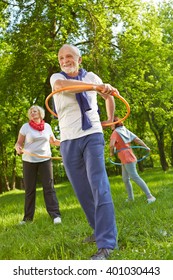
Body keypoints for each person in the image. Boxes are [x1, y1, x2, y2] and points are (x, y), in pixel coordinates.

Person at [50, 44, 118, 260]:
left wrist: (109, 118)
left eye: (69, 56)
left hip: (92, 135)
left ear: (79, 59)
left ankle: (106, 244)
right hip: (68, 140)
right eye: (61, 57)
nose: (65, 60)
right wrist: (95, 87)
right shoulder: (56, 78)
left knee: (99, 185)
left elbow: (108, 96)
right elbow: (63, 86)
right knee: (82, 190)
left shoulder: (91, 76)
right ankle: (97, 230)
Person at [15, 105, 61, 225]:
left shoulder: (47, 127)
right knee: (30, 190)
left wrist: (66, 143)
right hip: (29, 161)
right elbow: (18, 143)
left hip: (45, 160)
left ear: (40, 113)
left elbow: (53, 141)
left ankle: (55, 215)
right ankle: (28, 218)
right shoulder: (25, 127)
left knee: (49, 188)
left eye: (34, 111)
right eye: (30, 112)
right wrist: (18, 148)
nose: (32, 113)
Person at [110, 116, 156, 204]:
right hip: (127, 156)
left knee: (135, 177)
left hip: (126, 157)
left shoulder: (115, 132)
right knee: (125, 179)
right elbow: (137, 139)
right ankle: (130, 198)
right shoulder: (124, 130)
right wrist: (146, 147)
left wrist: (111, 153)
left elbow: (111, 145)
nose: (110, 125)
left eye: (111, 123)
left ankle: (150, 196)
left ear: (114, 124)